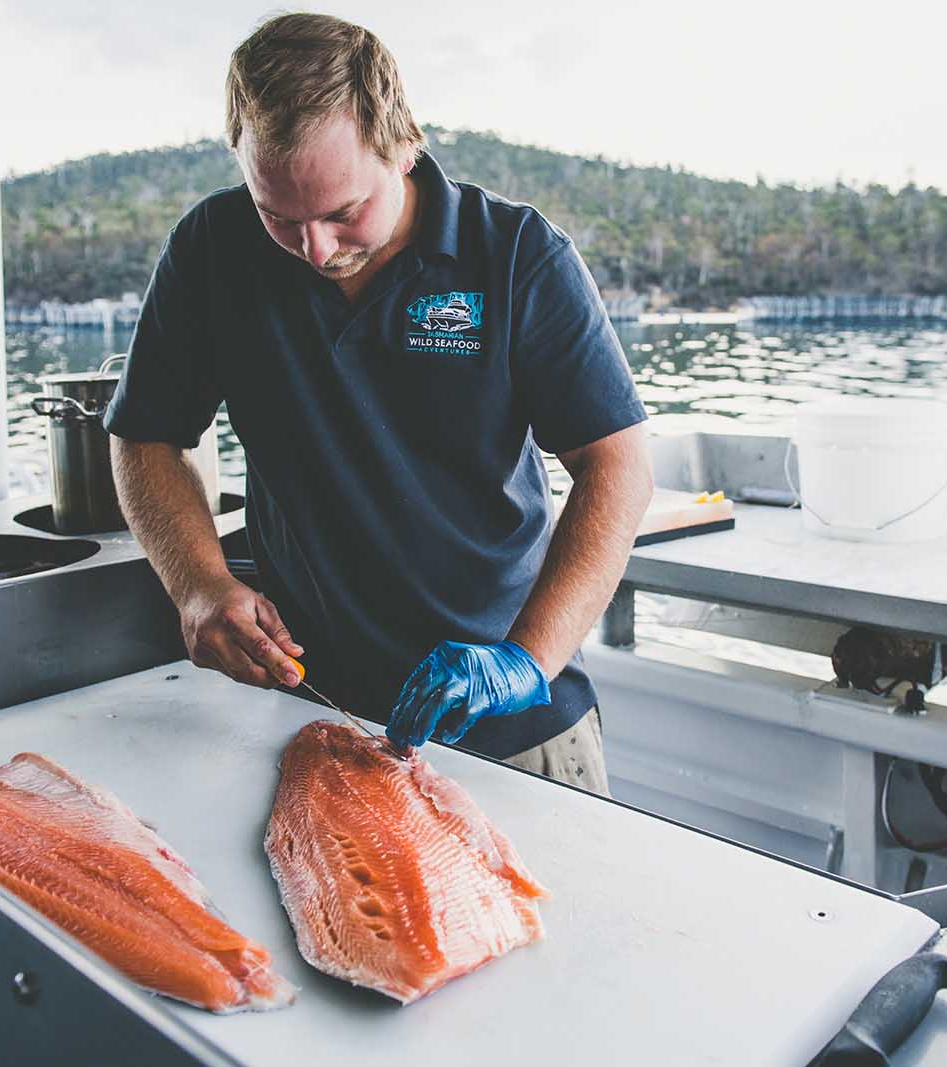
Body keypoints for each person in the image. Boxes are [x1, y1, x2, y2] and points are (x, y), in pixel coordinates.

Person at [104, 12, 653, 795]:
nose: (315, 250)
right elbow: (147, 438)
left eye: (342, 212)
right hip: (307, 716)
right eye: (280, 218)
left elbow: (618, 466)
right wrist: (197, 585)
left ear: (406, 143)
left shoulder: (519, 256)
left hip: (514, 725)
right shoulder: (212, 250)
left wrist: (525, 659)